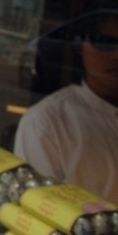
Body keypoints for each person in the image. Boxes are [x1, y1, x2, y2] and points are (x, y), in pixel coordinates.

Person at [13, 11, 118, 201]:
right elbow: (37, 212)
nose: (116, 55)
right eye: (105, 42)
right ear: (81, 46)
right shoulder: (46, 124)